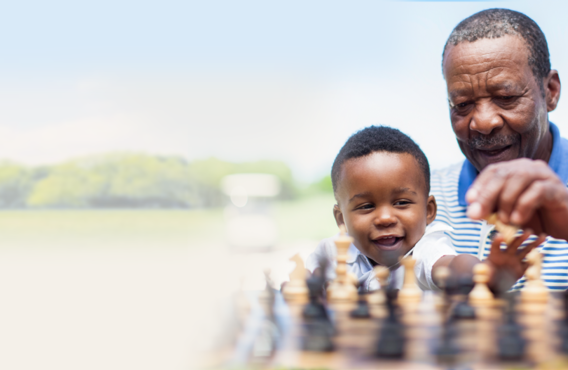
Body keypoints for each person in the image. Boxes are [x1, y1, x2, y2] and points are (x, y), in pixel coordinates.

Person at [305, 126, 543, 292]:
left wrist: (486, 272)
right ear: (342, 220)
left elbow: (452, 266)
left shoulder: (425, 250)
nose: (385, 218)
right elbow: (305, 285)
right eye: (366, 206)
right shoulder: (330, 252)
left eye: (402, 202)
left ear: (429, 211)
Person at [433, 8, 568, 290]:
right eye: (462, 105)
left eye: (506, 97)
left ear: (551, 91)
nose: (483, 123)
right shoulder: (423, 200)